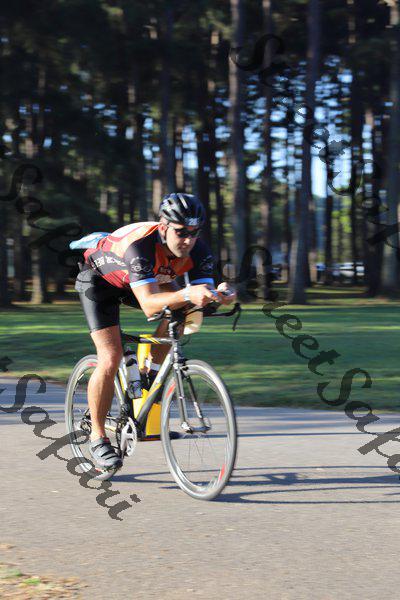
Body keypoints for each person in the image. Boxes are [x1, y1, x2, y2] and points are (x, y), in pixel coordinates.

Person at [74, 192, 236, 471]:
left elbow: (202, 295)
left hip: (142, 281)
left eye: (194, 233)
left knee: (185, 310)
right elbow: (149, 304)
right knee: (110, 358)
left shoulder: (198, 249)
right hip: (99, 283)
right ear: (163, 227)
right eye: (181, 232)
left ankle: (148, 373)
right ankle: (98, 438)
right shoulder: (141, 246)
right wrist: (188, 292)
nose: (188, 240)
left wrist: (222, 295)